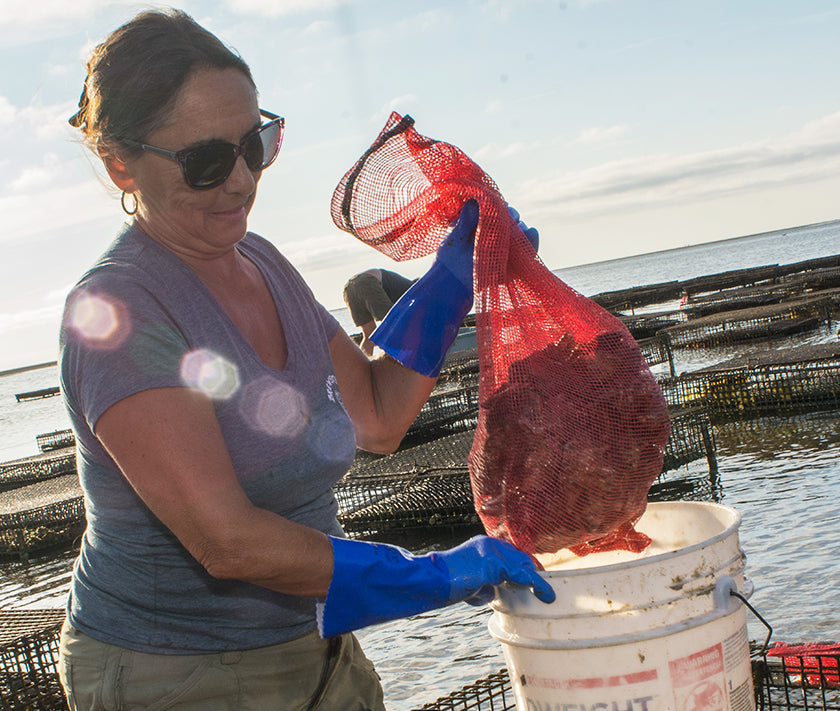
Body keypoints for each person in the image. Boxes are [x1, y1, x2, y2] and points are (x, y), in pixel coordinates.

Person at [57, 8, 553, 711]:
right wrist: (425, 571)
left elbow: (376, 416)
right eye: (204, 160)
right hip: (168, 670)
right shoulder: (117, 313)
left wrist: (450, 285)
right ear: (120, 163)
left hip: (315, 640)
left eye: (254, 144)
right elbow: (226, 541)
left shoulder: (260, 261)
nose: (239, 180)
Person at [343, 268, 415, 356]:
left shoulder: (400, 284)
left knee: (368, 334)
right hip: (367, 281)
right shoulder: (412, 290)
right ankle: (389, 362)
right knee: (392, 327)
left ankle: (365, 364)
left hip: (349, 288)